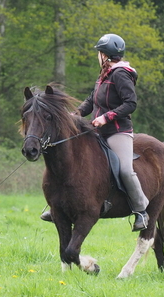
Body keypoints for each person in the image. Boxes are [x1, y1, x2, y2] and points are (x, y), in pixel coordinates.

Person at [40, 33, 149, 230]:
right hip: (97, 131)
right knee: (73, 162)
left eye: (99, 53)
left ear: (106, 55)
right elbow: (92, 100)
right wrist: (77, 113)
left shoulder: (121, 74)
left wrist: (106, 117)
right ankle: (56, 206)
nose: (97, 56)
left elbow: (130, 104)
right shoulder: (104, 75)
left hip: (117, 132)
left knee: (125, 169)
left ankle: (141, 210)